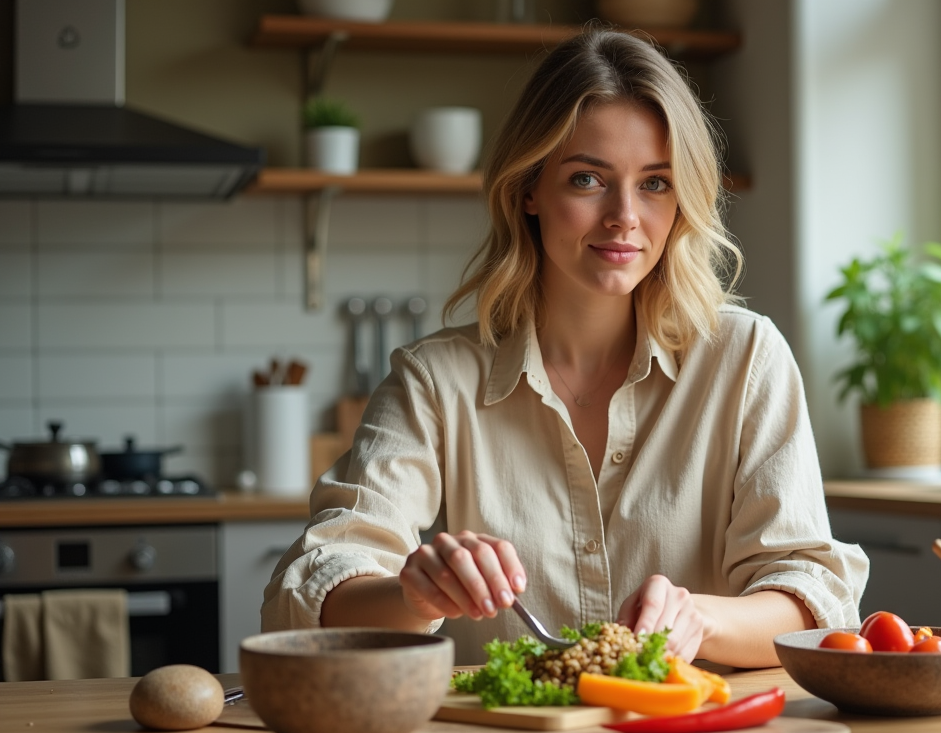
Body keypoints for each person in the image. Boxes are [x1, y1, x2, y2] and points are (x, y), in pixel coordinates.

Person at [262, 28, 868, 666]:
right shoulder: (435, 382)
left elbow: (812, 596)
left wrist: (700, 620)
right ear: (529, 189)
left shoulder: (746, 359)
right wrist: (416, 594)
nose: (625, 216)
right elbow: (313, 584)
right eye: (587, 179)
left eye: (656, 183)